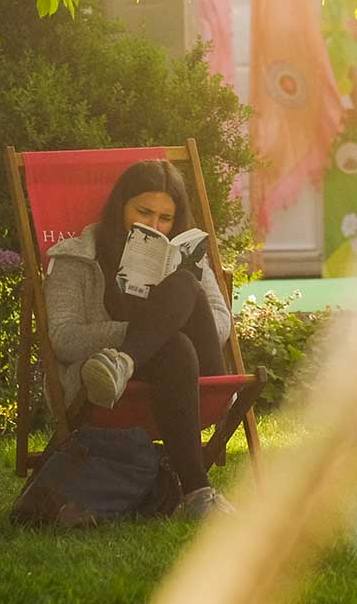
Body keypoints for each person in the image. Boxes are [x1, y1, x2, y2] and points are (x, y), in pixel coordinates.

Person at [44, 160, 236, 518]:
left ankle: (124, 361)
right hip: (108, 385)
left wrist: (149, 329)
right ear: (121, 207)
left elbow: (222, 322)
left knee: (183, 285)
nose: (154, 225)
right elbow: (64, 338)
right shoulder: (78, 257)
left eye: (165, 218)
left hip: (194, 372)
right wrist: (149, 332)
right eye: (143, 212)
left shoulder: (186, 254)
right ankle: (197, 494)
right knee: (175, 346)